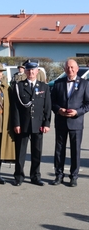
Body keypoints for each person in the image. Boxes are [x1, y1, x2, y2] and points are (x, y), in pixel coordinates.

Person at [11, 59, 51, 186]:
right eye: (28, 70)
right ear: (25, 71)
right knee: (20, 152)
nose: (30, 72)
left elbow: (47, 107)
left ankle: (35, 176)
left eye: (33, 69)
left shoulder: (44, 86)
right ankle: (18, 176)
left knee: (36, 152)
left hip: (38, 124)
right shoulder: (19, 86)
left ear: (37, 71)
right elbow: (15, 107)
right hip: (23, 124)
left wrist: (46, 124)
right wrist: (16, 124)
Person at [50, 59, 89, 187]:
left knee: (75, 151)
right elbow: (52, 102)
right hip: (61, 121)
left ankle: (74, 176)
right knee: (59, 150)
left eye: (72, 67)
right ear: (64, 69)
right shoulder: (58, 83)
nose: (70, 70)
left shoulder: (84, 84)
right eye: (67, 67)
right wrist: (58, 110)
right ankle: (59, 175)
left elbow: (87, 104)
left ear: (77, 69)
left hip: (76, 122)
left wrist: (77, 112)